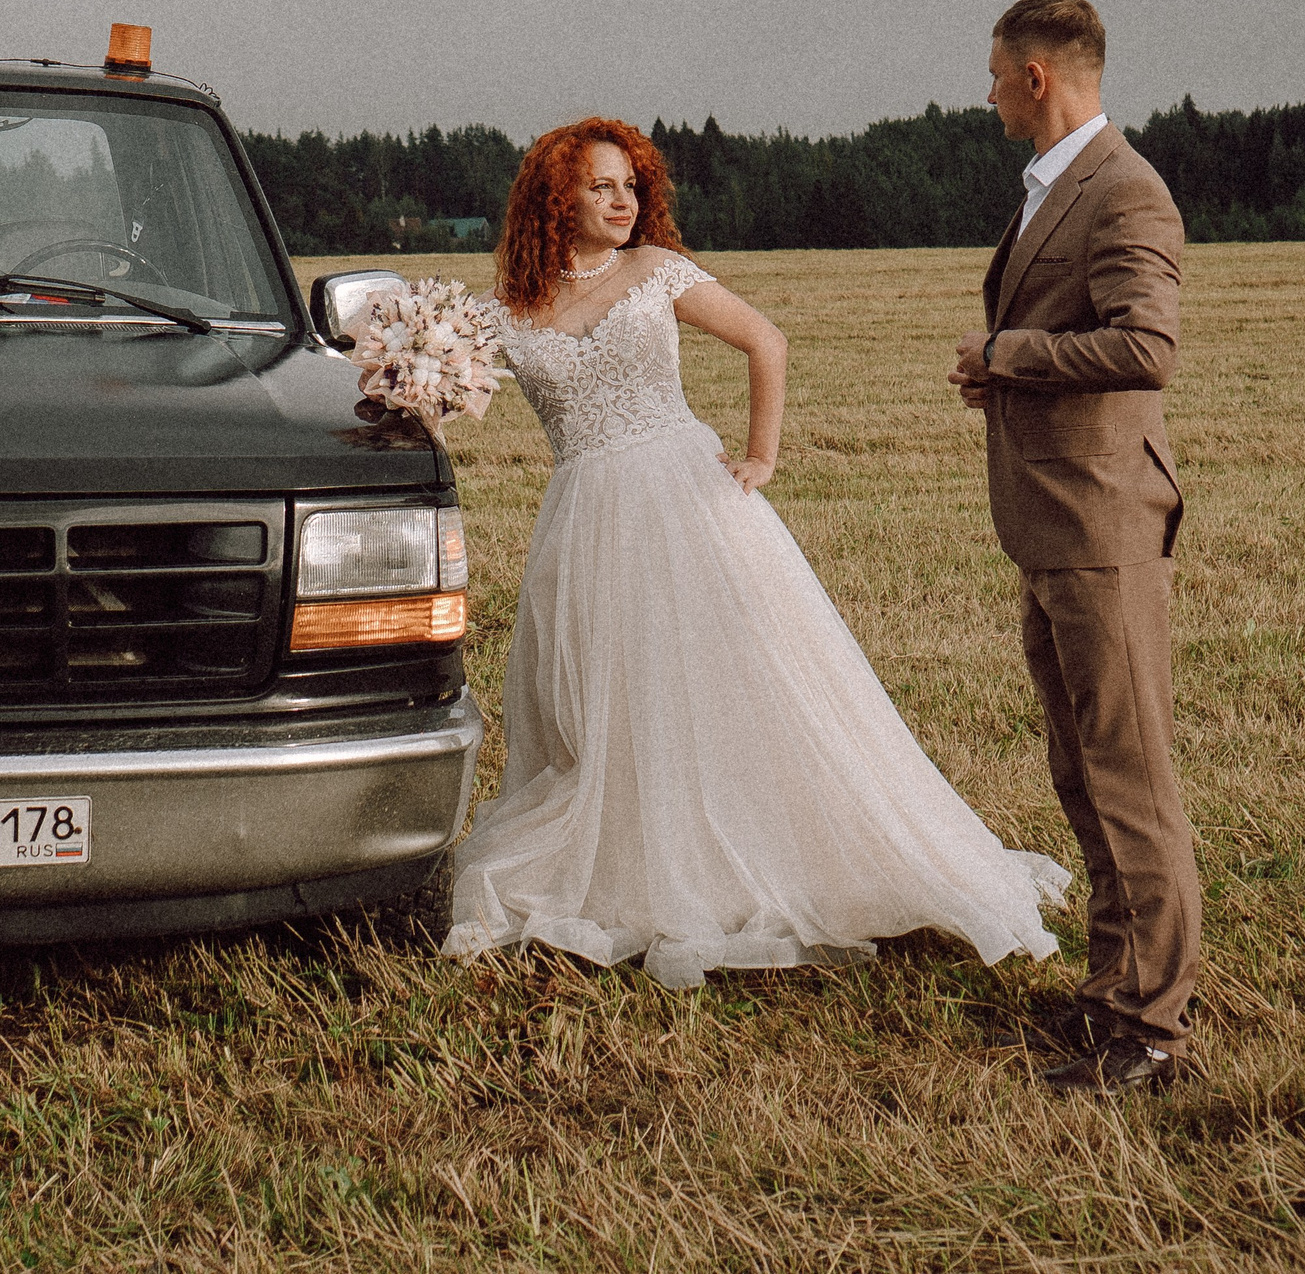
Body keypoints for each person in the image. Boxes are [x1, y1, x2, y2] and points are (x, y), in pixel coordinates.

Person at [441, 117, 1068, 989]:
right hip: (584, 518)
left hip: (686, 497)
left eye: (631, 185)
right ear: (558, 199)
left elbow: (765, 340)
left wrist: (761, 455)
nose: (624, 201)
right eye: (601, 187)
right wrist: (408, 379)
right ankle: (635, 851)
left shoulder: (655, 271)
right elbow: (436, 390)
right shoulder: (508, 312)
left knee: (742, 681)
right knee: (610, 697)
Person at [949, 0, 1199, 1094]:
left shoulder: (1123, 191)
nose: (987, 90)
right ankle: (1110, 1000)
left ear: (1036, 76)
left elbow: (1145, 345)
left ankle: (1148, 1034)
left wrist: (1011, 355)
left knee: (1127, 779)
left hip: (1100, 527)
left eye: (996, 72)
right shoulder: (1054, 187)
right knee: (1082, 774)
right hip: (1053, 525)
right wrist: (1003, 370)